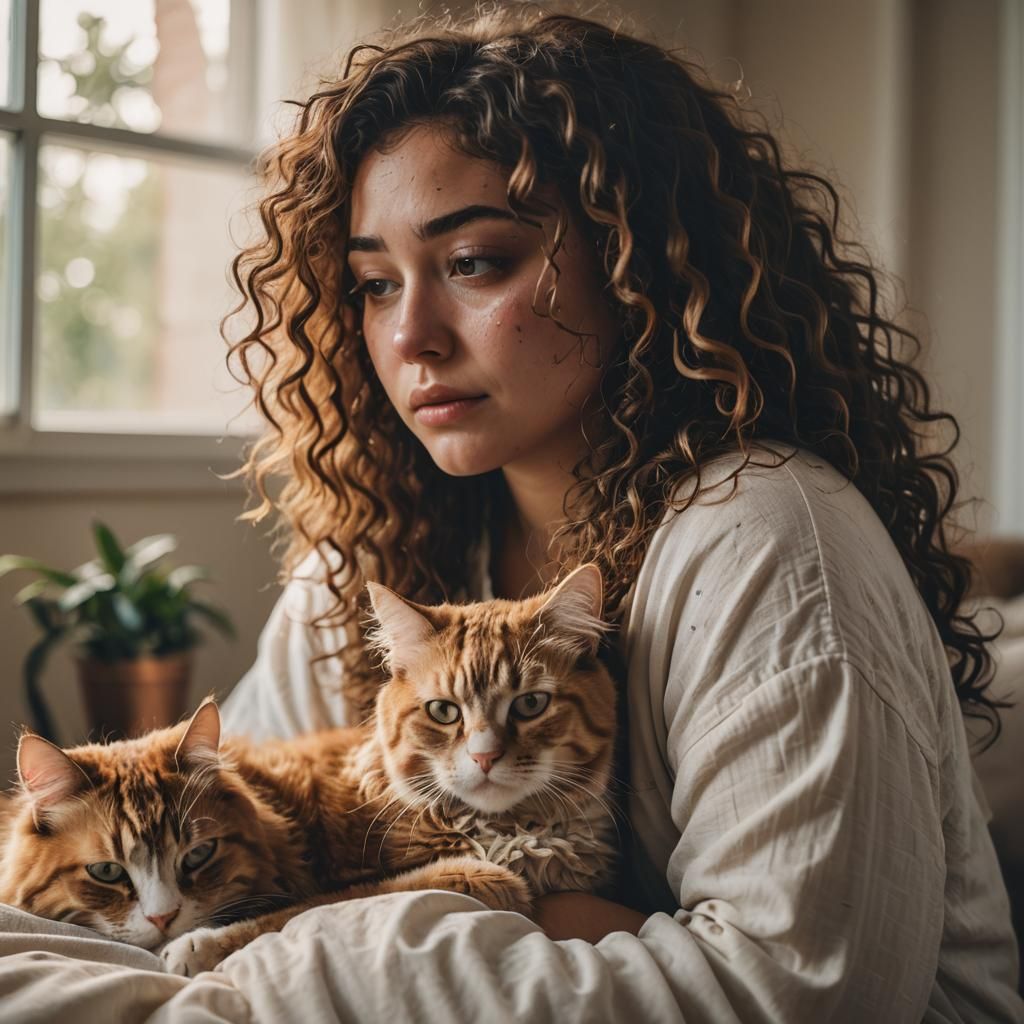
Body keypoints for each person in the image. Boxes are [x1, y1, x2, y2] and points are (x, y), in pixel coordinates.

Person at [218, 4, 1023, 1020]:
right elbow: (226, 861)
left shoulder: (771, 539)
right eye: (374, 283)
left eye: (473, 262)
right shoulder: (361, 565)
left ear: (640, 263)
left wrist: (439, 916)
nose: (410, 334)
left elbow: (799, 993)